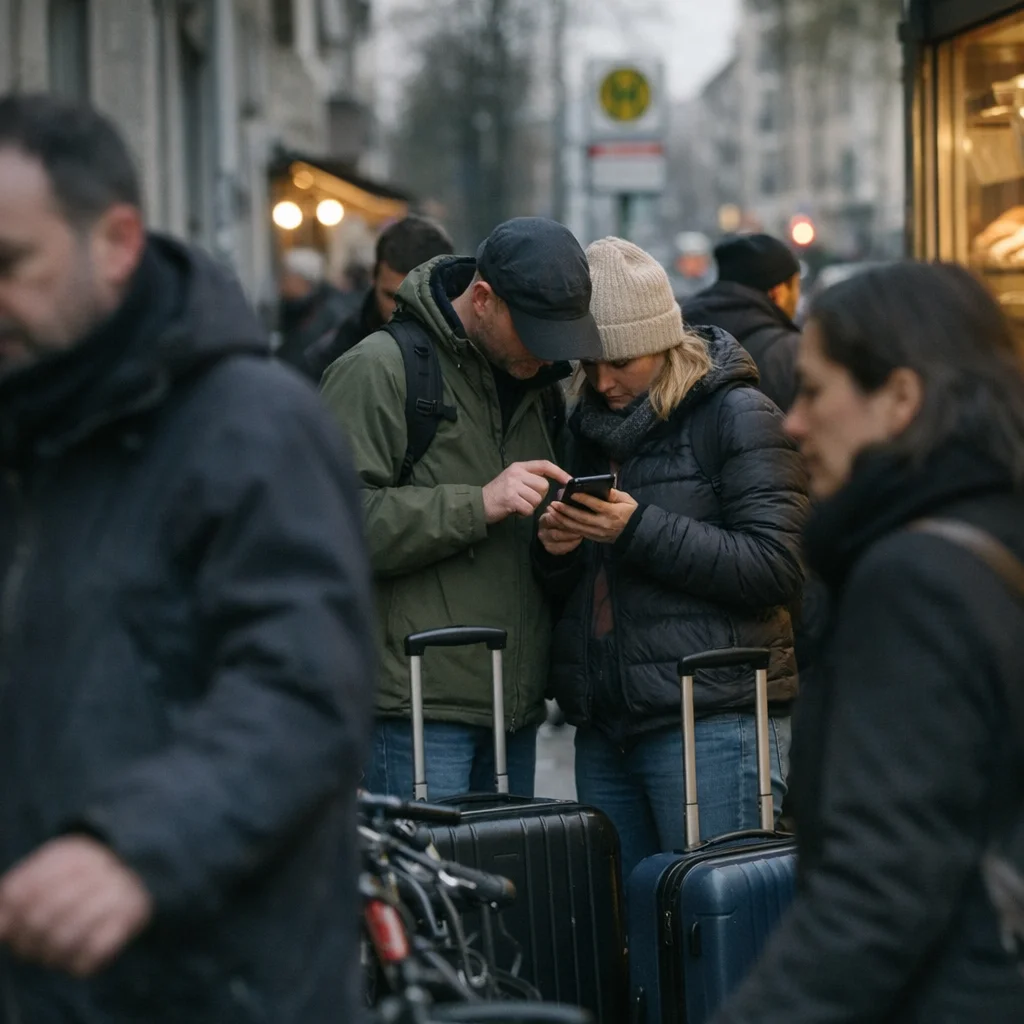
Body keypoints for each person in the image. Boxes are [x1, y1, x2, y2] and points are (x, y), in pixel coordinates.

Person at [0, 94, 375, 1023]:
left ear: (117, 243)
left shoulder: (254, 429)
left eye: (9, 265)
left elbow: (300, 689)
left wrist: (133, 849)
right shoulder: (25, 425)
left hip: (204, 989)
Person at [713, 262, 1024, 1024]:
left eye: (816, 392)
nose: (794, 422)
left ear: (901, 398)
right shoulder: (993, 534)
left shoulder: (914, 579)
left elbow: (877, 884)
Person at [535, 238, 808, 878]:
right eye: (589, 363)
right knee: (626, 920)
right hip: (607, 724)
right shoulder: (583, 426)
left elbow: (780, 565)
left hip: (712, 718)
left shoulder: (737, 414)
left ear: (661, 342)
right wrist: (555, 550)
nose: (603, 381)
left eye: (621, 362)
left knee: (716, 917)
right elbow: (579, 590)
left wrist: (636, 528)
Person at [322, 217, 603, 800]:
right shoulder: (377, 370)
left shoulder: (542, 389)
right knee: (420, 863)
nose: (545, 353)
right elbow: (328, 529)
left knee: (505, 864)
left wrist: (558, 543)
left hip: (512, 705)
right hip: (413, 708)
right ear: (482, 299)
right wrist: (476, 505)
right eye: (534, 333)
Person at [305, 214, 455, 380]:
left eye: (417, 297)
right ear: (374, 280)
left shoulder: (469, 351)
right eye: (391, 296)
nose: (400, 310)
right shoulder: (333, 358)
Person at [684, 232, 802, 412]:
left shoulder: (682, 329)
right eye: (795, 285)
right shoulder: (790, 352)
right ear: (778, 293)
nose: (797, 296)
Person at [274, 246, 350, 374]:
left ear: (303, 280)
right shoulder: (294, 308)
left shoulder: (325, 313)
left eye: (286, 276)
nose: (281, 282)